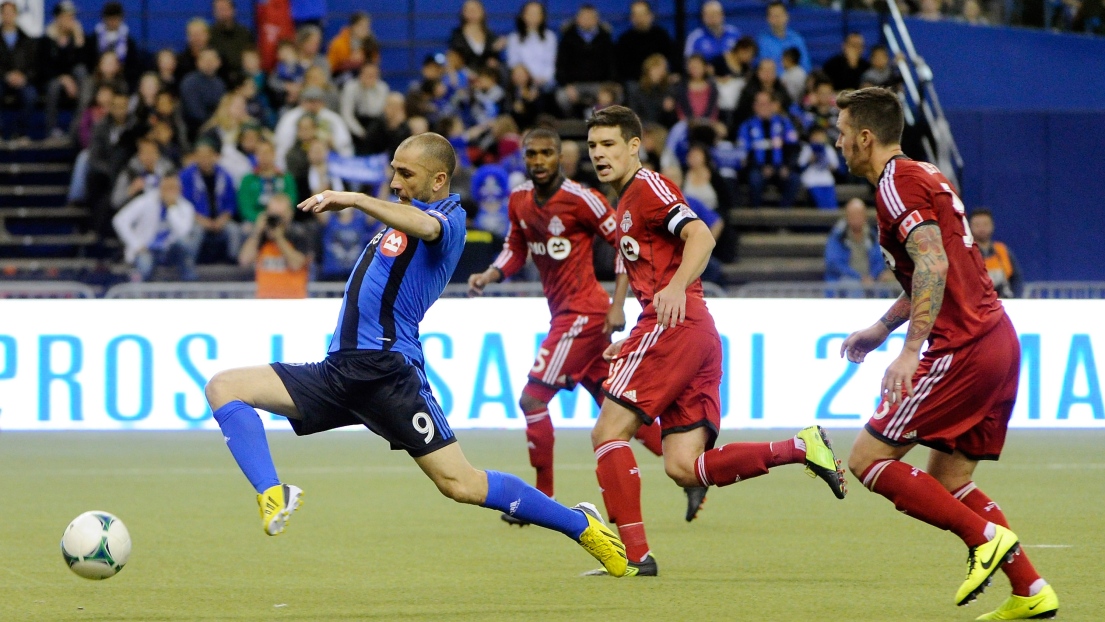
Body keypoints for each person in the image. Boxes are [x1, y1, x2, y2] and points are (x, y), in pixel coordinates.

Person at [203, 132, 630, 578]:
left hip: (389, 375)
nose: (395, 181)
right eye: (393, 170)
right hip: (338, 371)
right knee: (224, 387)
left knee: (460, 484)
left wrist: (353, 198)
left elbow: (427, 227)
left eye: (406, 174)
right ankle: (272, 492)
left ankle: (580, 525)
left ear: (439, 179)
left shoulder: (450, 219)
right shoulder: (398, 216)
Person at [584, 105, 844, 576]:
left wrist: (676, 288)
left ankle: (634, 556)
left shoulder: (649, 187)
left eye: (608, 144)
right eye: (592, 146)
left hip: (676, 327)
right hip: (688, 332)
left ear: (633, 146)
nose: (599, 154)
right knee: (684, 466)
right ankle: (801, 448)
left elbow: (700, 235)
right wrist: (637, 335)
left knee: (608, 433)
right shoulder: (625, 201)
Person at [835, 87, 1058, 620]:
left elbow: (932, 266)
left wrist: (910, 351)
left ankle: (985, 539)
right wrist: (882, 328)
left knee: (867, 461)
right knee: (950, 481)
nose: (837, 143)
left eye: (842, 133)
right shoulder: (925, 174)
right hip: (997, 338)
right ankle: (1031, 591)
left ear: (865, 137)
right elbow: (938, 269)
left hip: (961, 347)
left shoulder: (894, 185)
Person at [467, 128, 671, 521]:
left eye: (547, 153)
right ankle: (689, 471)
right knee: (617, 406)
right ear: (524, 158)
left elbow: (624, 243)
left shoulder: (583, 199)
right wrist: (490, 274)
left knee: (532, 398)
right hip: (566, 314)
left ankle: (539, 500)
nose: (539, 160)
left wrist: (617, 305)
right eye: (532, 154)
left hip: (583, 315)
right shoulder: (520, 200)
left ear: (560, 157)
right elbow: (516, 247)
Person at [113, 174, 198, 281]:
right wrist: (136, 244)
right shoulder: (146, 201)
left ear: (180, 189)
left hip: (171, 250)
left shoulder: (186, 207)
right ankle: (140, 293)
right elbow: (120, 220)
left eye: (173, 188)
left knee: (185, 245)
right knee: (144, 264)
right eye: (167, 188)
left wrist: (172, 208)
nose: (170, 191)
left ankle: (189, 287)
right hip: (147, 249)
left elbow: (184, 233)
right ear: (160, 188)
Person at [237, 193, 312, 298]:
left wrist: (279, 238)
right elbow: (244, 260)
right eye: (273, 214)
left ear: (289, 214)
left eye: (280, 215)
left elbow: (296, 264)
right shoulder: (261, 237)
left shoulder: (299, 234)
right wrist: (257, 231)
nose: (277, 220)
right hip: (266, 301)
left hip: (293, 301)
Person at [180, 138, 242, 263]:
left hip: (220, 221)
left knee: (234, 231)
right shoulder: (186, 176)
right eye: (200, 156)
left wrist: (222, 220)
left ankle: (233, 263)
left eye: (207, 156)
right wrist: (203, 221)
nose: (204, 160)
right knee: (195, 231)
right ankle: (190, 262)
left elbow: (231, 203)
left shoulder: (225, 175)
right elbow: (183, 204)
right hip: (196, 220)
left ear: (215, 156)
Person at [738, 91, 801, 207]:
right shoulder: (747, 126)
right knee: (754, 180)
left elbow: (793, 148)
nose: (763, 107)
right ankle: (756, 219)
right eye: (760, 104)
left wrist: (787, 166)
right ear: (754, 106)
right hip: (758, 168)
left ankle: (783, 217)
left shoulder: (784, 123)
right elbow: (743, 153)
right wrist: (761, 167)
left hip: (781, 167)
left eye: (766, 103)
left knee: (794, 180)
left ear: (773, 105)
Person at [554, 4, 616, 116]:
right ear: (577, 19)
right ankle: (573, 121)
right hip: (574, 85)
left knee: (616, 95)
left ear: (596, 20)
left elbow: (612, 65)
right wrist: (567, 85)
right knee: (562, 96)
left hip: (599, 85)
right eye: (584, 17)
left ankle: (602, 121)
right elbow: (561, 66)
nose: (587, 20)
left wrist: (607, 87)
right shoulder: (567, 40)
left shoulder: (605, 39)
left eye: (590, 17)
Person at [43, 0, 86, 139]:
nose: (70, 20)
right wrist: (63, 78)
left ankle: (78, 127)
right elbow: (45, 67)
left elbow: (83, 64)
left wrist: (79, 42)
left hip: (74, 80)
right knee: (54, 86)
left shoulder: (77, 37)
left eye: (72, 17)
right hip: (53, 79)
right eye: (67, 16)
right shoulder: (47, 38)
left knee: (81, 73)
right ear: (57, 18)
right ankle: (51, 130)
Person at [0, 0, 39, 140]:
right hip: (2, 80)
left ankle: (21, 133)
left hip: (23, 80)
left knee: (31, 95)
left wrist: (24, 77)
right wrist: (6, 75)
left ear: (16, 15)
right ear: (1, 15)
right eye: (5, 13)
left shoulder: (26, 40)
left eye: (11, 13)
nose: (8, 16)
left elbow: (33, 65)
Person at [238, 140, 298, 226]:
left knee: (297, 230)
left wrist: (279, 216)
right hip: (255, 220)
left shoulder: (286, 178)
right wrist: (259, 218)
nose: (264, 157)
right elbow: (245, 207)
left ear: (274, 154)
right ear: (256, 156)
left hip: (281, 219)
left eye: (267, 153)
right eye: (260, 153)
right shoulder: (248, 180)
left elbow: (291, 201)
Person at [825, 198, 885, 282]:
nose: (856, 218)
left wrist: (872, 276)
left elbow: (880, 260)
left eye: (859, 214)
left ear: (865, 216)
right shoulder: (838, 236)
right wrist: (859, 278)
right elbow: (833, 263)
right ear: (847, 216)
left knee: (888, 282)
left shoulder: (872, 235)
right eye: (853, 215)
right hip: (845, 280)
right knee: (852, 285)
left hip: (871, 279)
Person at [615, 0, 676, 83]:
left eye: (642, 14)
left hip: (660, 79)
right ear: (631, 18)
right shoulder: (624, 39)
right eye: (635, 15)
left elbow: (672, 57)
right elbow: (622, 67)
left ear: (650, 16)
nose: (639, 18)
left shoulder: (661, 35)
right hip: (636, 81)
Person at [968, 208, 1022, 298]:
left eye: (985, 224)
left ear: (992, 225)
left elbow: (1016, 279)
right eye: (977, 225)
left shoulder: (1003, 250)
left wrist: (1015, 299)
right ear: (969, 227)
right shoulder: (966, 253)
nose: (982, 228)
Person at [87, 2, 142, 87]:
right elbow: (89, 61)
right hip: (98, 79)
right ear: (104, 19)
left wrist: (117, 70)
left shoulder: (128, 41)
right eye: (110, 19)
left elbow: (133, 65)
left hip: (121, 79)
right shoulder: (94, 39)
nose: (112, 22)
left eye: (116, 19)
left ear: (121, 19)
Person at [111, 136, 175, 210]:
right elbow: (115, 201)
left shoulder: (168, 172)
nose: (148, 156)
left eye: (152, 152)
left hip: (161, 214)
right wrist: (131, 190)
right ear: (139, 154)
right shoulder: (129, 172)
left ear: (158, 154)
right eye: (145, 152)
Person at [505, 2, 557, 90]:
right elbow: (513, 63)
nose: (533, 16)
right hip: (523, 82)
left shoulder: (550, 37)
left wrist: (544, 78)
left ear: (543, 16)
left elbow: (551, 63)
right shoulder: (514, 38)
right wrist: (529, 79)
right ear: (523, 15)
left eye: (537, 13)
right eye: (530, 13)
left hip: (545, 83)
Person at [180, 48, 227, 140]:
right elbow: (194, 112)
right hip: (196, 130)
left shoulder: (220, 83)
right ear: (198, 62)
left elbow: (223, 106)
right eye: (205, 60)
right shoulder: (189, 82)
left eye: (212, 60)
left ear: (218, 63)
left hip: (218, 126)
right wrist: (214, 122)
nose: (208, 63)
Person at [683, 1, 740, 73]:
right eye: (708, 15)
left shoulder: (734, 33)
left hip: (734, 77)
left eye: (715, 14)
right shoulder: (695, 37)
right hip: (707, 78)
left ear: (722, 14)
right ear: (703, 17)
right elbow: (688, 63)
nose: (712, 17)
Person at [448, 0, 505, 71]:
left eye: (475, 9)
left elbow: (493, 59)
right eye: (469, 9)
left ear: (483, 11)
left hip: (486, 77)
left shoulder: (491, 35)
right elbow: (455, 58)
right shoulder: (457, 35)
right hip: (464, 76)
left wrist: (495, 51)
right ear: (463, 12)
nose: (472, 12)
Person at [757, 2, 810, 75]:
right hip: (774, 81)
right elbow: (763, 66)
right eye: (773, 16)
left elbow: (805, 66)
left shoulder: (797, 39)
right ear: (768, 19)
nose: (777, 19)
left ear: (786, 16)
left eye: (779, 15)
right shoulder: (762, 40)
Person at [626, 54, 676, 129]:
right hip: (643, 129)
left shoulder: (668, 91)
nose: (660, 72)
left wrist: (668, 111)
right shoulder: (637, 91)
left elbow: (671, 121)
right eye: (656, 68)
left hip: (661, 130)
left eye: (662, 69)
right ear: (648, 70)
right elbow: (634, 115)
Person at [209, 0, 254, 84]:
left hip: (243, 80)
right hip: (217, 80)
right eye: (219, 9)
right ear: (214, 12)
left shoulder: (245, 33)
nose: (223, 13)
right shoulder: (209, 35)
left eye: (225, 9)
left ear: (233, 10)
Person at [326, 11, 380, 78]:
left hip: (363, 76)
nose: (365, 29)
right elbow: (330, 67)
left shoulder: (371, 43)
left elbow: (374, 64)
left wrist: (363, 59)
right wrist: (349, 61)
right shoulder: (337, 43)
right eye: (362, 26)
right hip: (342, 76)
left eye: (367, 26)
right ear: (353, 26)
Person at [798, 126, 841, 209]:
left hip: (826, 180)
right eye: (816, 136)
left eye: (820, 136)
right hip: (811, 180)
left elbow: (835, 166)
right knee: (819, 200)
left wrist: (826, 162)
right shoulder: (807, 149)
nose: (818, 138)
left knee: (831, 202)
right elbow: (800, 165)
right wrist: (810, 160)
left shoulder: (828, 149)